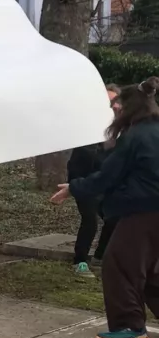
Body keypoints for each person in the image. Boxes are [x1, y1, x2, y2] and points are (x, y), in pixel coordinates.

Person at [51, 77, 159, 338]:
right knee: (151, 270)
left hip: (143, 211)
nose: (114, 112)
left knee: (119, 264)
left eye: (115, 107)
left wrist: (74, 187)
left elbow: (108, 176)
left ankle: (130, 327)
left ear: (128, 108)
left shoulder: (135, 136)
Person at [67, 84, 121, 278]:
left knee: (114, 216)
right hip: (83, 179)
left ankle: (100, 256)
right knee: (90, 219)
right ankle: (80, 261)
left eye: (114, 102)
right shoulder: (88, 125)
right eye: (107, 102)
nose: (112, 106)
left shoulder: (123, 129)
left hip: (105, 182)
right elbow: (85, 155)